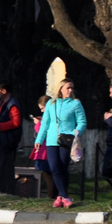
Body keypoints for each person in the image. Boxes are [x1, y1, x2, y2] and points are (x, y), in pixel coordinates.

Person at [34, 79, 87, 209]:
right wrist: (39, 140)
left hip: (67, 140)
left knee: (63, 167)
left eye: (72, 88)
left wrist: (75, 132)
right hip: (52, 140)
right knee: (54, 168)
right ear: (61, 89)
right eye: (68, 88)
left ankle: (61, 196)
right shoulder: (52, 103)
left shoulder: (76, 104)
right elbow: (45, 123)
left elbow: (82, 122)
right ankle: (64, 196)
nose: (70, 90)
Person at [0, 80, 22, 194]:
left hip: (6, 142)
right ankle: (1, 189)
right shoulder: (4, 103)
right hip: (1, 140)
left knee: (4, 168)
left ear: (4, 91)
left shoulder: (11, 104)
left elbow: (16, 122)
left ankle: (6, 190)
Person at [29, 95, 55, 200]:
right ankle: (53, 195)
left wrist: (38, 124)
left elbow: (44, 132)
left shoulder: (50, 117)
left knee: (48, 175)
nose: (42, 111)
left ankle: (51, 196)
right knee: (48, 175)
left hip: (45, 151)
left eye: (42, 108)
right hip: (46, 150)